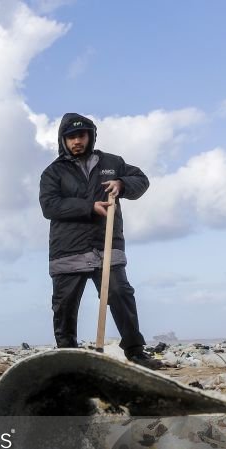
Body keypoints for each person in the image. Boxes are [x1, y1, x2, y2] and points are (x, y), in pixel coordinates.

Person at [39, 113, 162, 368]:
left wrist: (122, 183)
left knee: (120, 293)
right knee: (64, 305)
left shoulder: (112, 162)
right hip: (68, 250)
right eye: (71, 137)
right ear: (63, 140)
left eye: (81, 136)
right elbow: (49, 206)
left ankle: (135, 351)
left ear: (91, 136)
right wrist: (89, 207)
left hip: (107, 245)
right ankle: (67, 357)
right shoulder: (53, 172)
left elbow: (141, 180)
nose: (77, 141)